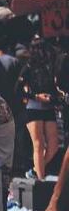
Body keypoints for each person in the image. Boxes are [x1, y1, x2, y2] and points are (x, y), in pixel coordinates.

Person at [17, 37, 60, 179]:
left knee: (53, 145)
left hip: (48, 107)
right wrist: (35, 96)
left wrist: (52, 98)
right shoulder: (28, 67)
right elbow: (18, 89)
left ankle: (36, 170)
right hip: (34, 107)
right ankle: (40, 180)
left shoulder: (49, 67)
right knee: (39, 144)